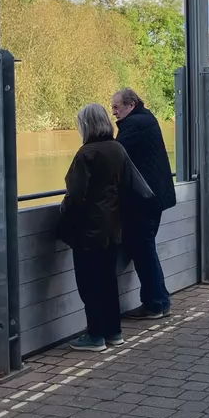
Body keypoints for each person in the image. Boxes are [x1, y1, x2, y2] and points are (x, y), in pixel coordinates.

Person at [58, 103, 132, 352]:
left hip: (89, 229)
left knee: (89, 283)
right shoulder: (117, 149)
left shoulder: (86, 153)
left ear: (86, 125)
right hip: (113, 226)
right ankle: (114, 331)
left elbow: (76, 194)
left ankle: (95, 335)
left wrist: (64, 214)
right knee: (108, 281)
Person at [112, 88, 177, 319]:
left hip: (142, 201)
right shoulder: (147, 118)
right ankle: (159, 298)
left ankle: (156, 303)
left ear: (130, 104)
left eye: (117, 107)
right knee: (145, 248)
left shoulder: (133, 125)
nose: (114, 112)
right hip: (156, 197)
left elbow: (114, 155)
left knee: (143, 249)